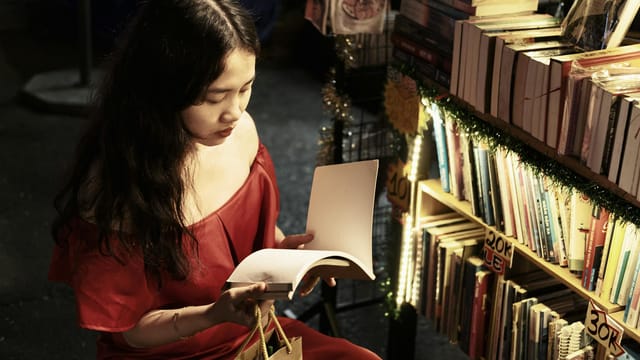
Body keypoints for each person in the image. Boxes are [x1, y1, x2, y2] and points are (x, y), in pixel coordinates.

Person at [48, 0, 382, 359]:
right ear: (163, 90)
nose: (235, 113)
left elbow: (255, 235)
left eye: (246, 88)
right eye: (215, 97)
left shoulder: (242, 133)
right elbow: (131, 333)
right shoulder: (116, 189)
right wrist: (214, 314)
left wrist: (286, 255)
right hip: (174, 351)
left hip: (254, 335)